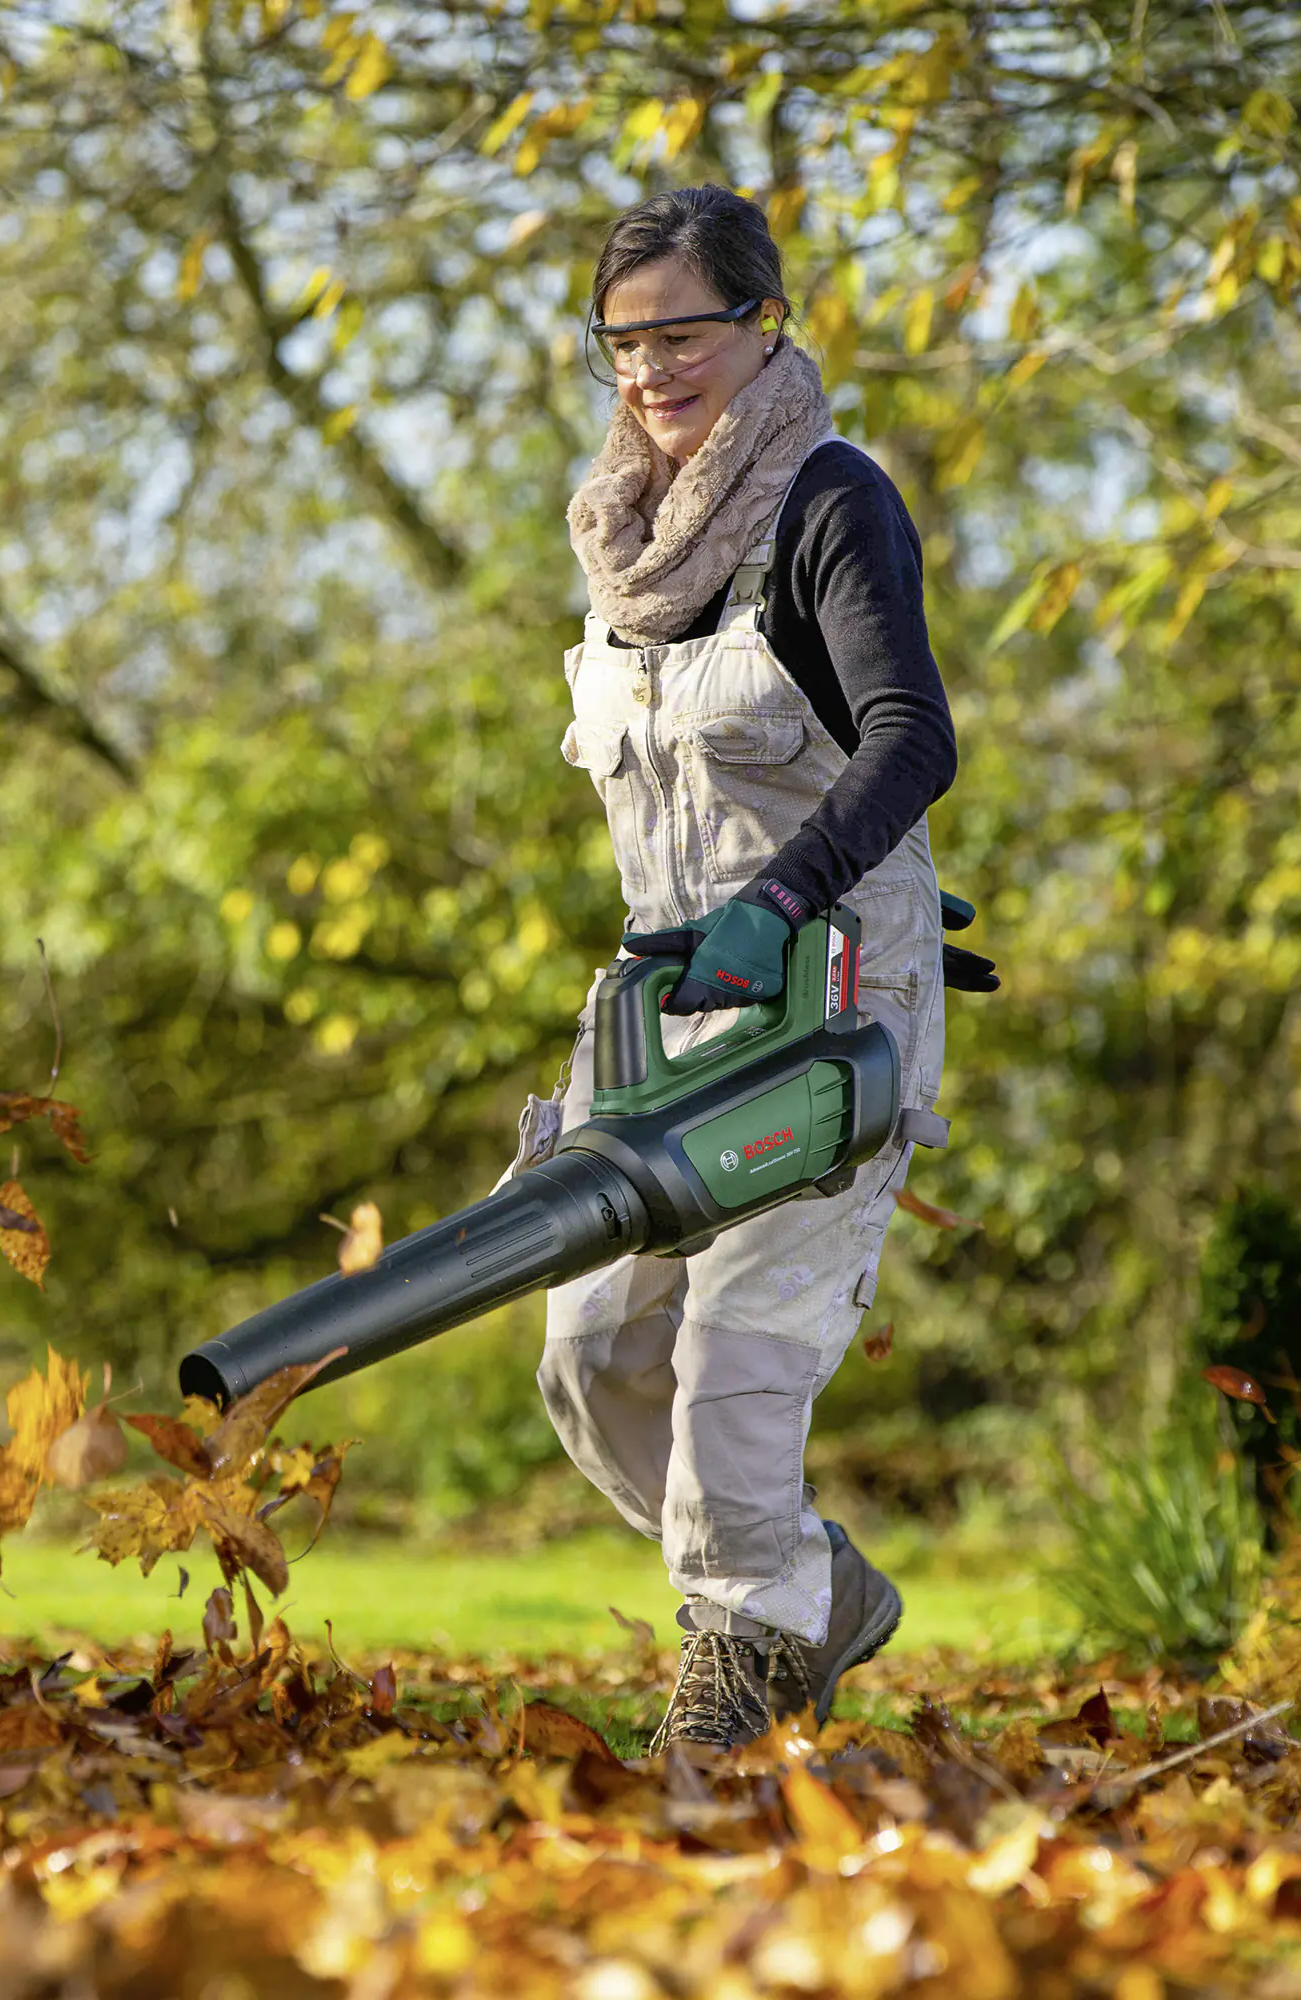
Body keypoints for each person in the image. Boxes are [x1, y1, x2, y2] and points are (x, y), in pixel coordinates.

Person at [524, 184, 978, 1754]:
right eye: (623, 341)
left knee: (735, 1359)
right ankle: (804, 1588)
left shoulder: (827, 498)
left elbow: (910, 734)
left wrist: (791, 895)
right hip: (663, 1012)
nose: (652, 369)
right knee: (589, 1359)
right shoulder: (619, 543)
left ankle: (737, 1678)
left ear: (763, 324)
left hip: (824, 994)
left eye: (684, 332)